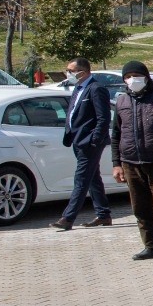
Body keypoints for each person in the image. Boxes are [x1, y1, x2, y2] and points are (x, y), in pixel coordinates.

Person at [110, 60, 153, 262]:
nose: (132, 80)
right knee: (140, 207)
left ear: (146, 77)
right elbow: (116, 134)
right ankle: (150, 245)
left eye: (136, 76)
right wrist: (116, 164)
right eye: (128, 77)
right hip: (130, 162)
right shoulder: (122, 101)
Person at [53, 56, 112, 231]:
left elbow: (103, 118)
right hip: (77, 140)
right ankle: (103, 214)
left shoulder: (96, 88)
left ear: (83, 72)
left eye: (71, 71)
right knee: (93, 178)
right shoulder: (78, 88)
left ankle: (67, 218)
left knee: (81, 179)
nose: (68, 74)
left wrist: (94, 139)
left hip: (89, 143)